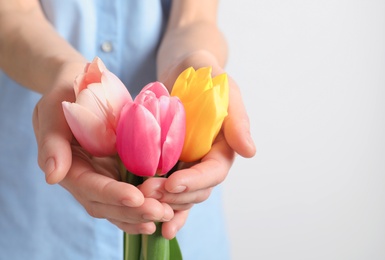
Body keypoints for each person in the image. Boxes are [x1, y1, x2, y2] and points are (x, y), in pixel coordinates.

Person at [0, 0, 256, 259]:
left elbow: (193, 19)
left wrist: (196, 63)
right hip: (37, 209)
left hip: (182, 195)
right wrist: (64, 72)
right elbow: (12, 13)